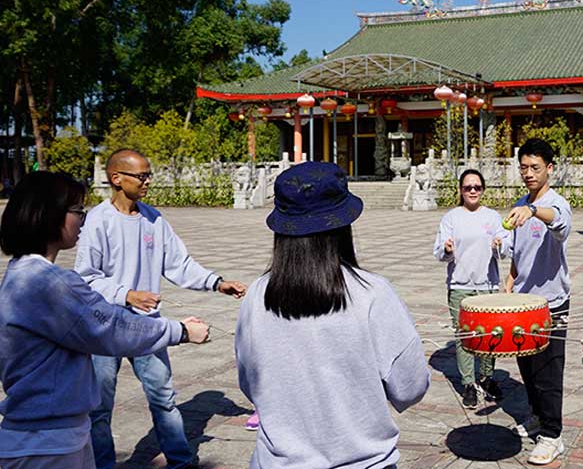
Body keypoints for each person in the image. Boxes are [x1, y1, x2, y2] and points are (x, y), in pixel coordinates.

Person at [0, 172, 209, 469]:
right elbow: (112, 329)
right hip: (49, 443)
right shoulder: (51, 283)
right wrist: (181, 331)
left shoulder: (20, 274)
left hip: (41, 433)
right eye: (76, 211)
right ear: (49, 216)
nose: (82, 220)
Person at [236, 162, 429, 468]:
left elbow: (250, 383)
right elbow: (410, 387)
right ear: (343, 225)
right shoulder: (373, 294)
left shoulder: (256, 296)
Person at [75, 149, 247, 469]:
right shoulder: (97, 221)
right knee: (99, 408)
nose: (148, 181)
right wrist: (127, 295)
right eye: (141, 176)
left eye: (148, 174)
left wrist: (216, 282)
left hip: (147, 325)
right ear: (116, 179)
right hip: (104, 325)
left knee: (163, 399)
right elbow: (86, 278)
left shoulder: (153, 218)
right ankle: (102, 465)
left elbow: (178, 263)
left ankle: (180, 461)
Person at [503, 138, 572, 465]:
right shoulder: (520, 203)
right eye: (524, 167)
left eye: (535, 168)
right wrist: (510, 280)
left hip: (552, 303)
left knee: (548, 370)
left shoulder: (556, 203)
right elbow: (517, 255)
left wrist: (533, 211)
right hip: (522, 303)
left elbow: (559, 223)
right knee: (527, 366)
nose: (528, 173)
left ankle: (553, 435)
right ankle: (535, 416)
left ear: (549, 169)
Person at [433, 169, 510, 408]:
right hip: (460, 286)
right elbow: (439, 252)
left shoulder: (493, 217)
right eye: (468, 187)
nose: (473, 191)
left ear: (483, 190)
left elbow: (506, 249)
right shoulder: (451, 218)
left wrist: (500, 244)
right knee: (465, 337)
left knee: (490, 336)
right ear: (461, 191)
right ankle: (468, 382)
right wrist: (446, 250)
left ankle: (487, 378)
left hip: (487, 285)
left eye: (477, 187)